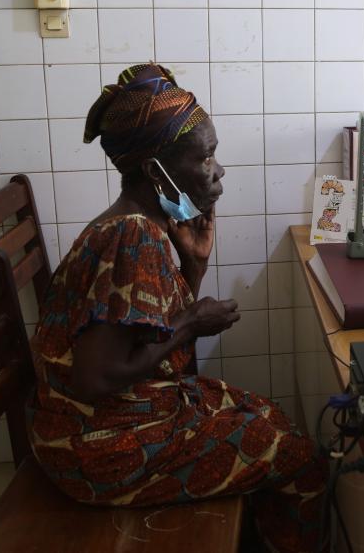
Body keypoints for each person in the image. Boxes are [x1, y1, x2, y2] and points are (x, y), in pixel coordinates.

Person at [26, 64, 327, 553]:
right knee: (299, 458)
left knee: (267, 414)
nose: (218, 170)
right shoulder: (132, 236)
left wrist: (194, 265)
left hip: (108, 422)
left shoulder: (137, 225)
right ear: (154, 171)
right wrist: (191, 322)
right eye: (205, 156)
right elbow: (96, 378)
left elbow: (145, 333)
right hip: (100, 449)